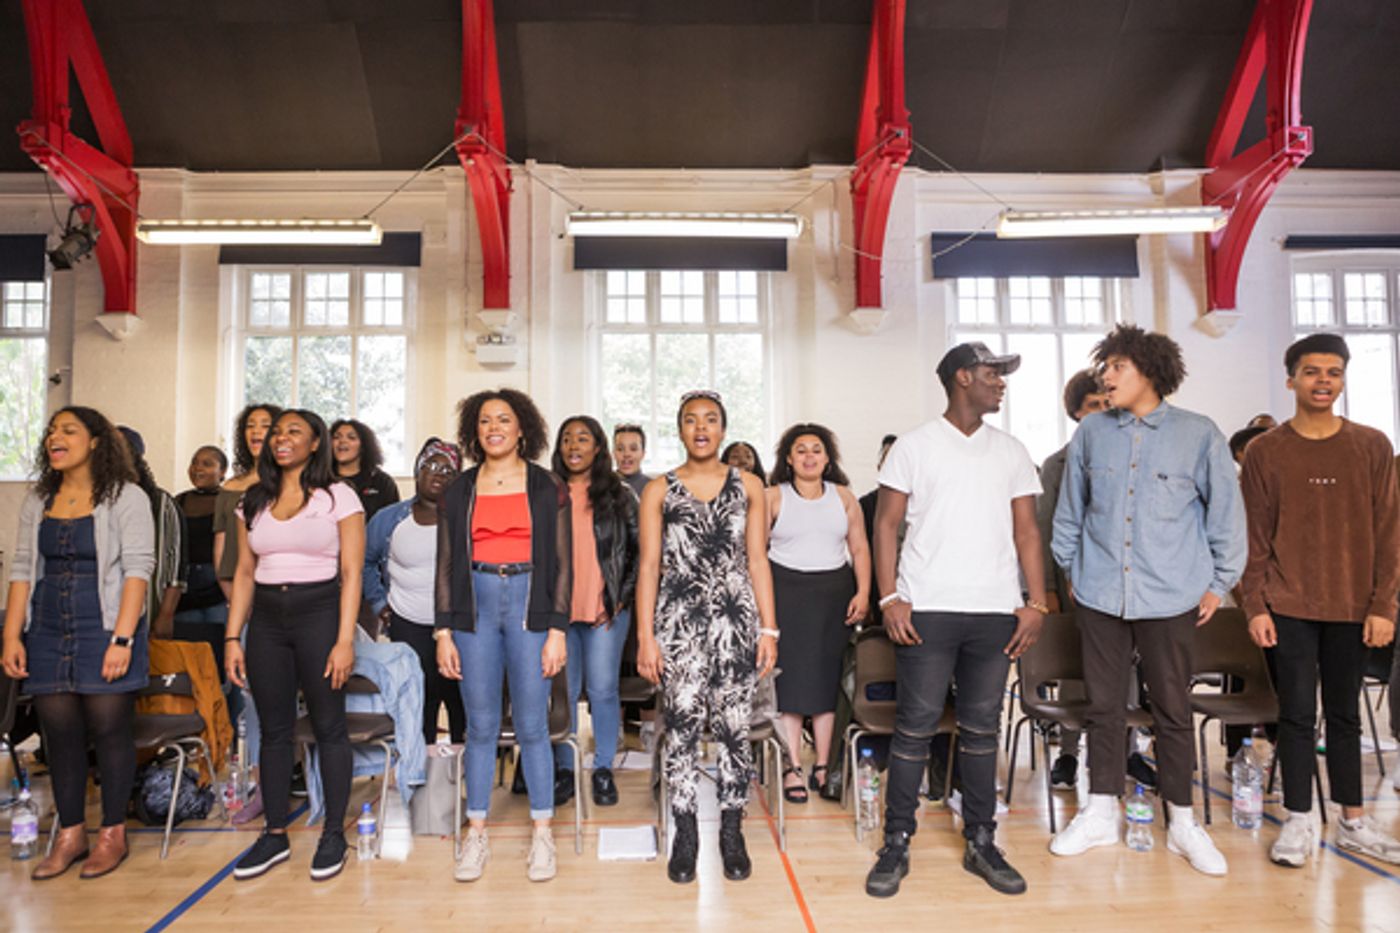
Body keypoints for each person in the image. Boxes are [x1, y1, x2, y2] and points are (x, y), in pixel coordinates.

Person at [1050, 324, 1245, 877]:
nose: (1105, 376)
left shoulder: (1199, 434)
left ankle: (1183, 821)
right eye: (1103, 366)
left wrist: (1218, 583)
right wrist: (1070, 567)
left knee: (1172, 709)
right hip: (1099, 592)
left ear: (1150, 373)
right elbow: (1071, 510)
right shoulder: (1091, 435)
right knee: (1103, 708)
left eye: (1116, 367)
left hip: (1172, 595)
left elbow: (1226, 517)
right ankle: (1100, 811)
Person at [863, 342, 1046, 899]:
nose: (1002, 382)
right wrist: (889, 596)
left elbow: (1027, 533)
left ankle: (982, 840)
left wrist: (1035, 602)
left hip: (993, 611)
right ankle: (896, 841)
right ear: (962, 377)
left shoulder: (1011, 450)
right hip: (927, 608)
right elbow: (886, 525)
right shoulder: (915, 447)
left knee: (983, 729)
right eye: (993, 373)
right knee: (915, 727)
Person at [1240, 333, 1400, 868]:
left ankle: (1353, 820)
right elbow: (1253, 537)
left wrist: (1384, 606)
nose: (1323, 381)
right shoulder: (1266, 451)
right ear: (1291, 379)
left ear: (1343, 379)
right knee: (1296, 715)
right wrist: (1255, 605)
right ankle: (1298, 820)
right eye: (1312, 372)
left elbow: (1389, 533)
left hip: (1355, 609)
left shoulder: (1373, 445)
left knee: (1345, 716)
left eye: (1333, 372)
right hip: (1287, 605)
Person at [2, 406, 154, 880]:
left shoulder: (125, 497)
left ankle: (112, 833)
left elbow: (138, 569)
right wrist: (12, 634)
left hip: (105, 625)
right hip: (48, 626)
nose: (55, 437)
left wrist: (122, 638)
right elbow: (23, 568)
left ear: (95, 442)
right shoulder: (39, 499)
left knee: (109, 730)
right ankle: (70, 834)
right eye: (51, 431)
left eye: (68, 430)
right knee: (59, 734)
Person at [636, 390, 778, 885]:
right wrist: (645, 638)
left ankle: (732, 831)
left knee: (735, 730)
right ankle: (687, 833)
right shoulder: (659, 489)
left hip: (736, 622)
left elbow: (757, 559)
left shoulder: (750, 485)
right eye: (691, 420)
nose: (701, 427)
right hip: (678, 624)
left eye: (711, 420)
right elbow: (649, 566)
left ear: (723, 428)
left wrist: (768, 627)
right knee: (681, 730)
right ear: (679, 430)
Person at [435, 388, 571, 884]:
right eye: (485, 420)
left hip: (530, 606)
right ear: (476, 431)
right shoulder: (458, 490)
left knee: (534, 725)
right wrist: (443, 630)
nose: (494, 427)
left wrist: (557, 629)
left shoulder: (547, 485)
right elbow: (446, 564)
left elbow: (561, 564)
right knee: (480, 726)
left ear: (522, 430)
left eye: (504, 419)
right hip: (475, 605)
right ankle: (476, 835)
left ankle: (542, 833)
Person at [225, 409, 364, 882]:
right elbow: (244, 573)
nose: (281, 438)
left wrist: (344, 640)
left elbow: (351, 573)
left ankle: (332, 834)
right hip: (265, 619)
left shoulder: (338, 497)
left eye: (293, 432)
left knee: (329, 726)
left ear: (314, 443)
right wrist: (232, 636)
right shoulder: (253, 500)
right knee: (274, 727)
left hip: (320, 613)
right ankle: (275, 834)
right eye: (277, 432)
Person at [765, 423, 870, 804]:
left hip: (834, 595)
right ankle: (792, 766)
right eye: (801, 450)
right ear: (789, 459)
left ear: (827, 459)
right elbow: (754, 556)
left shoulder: (844, 497)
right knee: (789, 685)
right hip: (784, 593)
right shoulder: (772, 496)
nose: (809, 456)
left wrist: (862, 591)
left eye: (817, 450)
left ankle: (824, 764)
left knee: (827, 684)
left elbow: (859, 549)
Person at [551, 416, 640, 807]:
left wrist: (622, 596)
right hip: (558, 614)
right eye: (567, 438)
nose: (573, 445)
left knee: (603, 690)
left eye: (582, 439)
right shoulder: (545, 492)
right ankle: (566, 769)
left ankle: (603, 768)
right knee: (563, 695)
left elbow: (640, 551)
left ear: (598, 449)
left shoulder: (619, 495)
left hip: (607, 609)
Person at [363, 438, 465, 747]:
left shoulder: (466, 518)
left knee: (460, 698)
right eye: (430, 466)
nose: (437, 474)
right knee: (421, 698)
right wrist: (380, 603)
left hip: (458, 624)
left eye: (447, 469)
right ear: (417, 471)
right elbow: (366, 562)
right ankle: (421, 773)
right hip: (407, 621)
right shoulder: (389, 519)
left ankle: (464, 771)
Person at [1035, 370, 1109, 790]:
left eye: (1106, 403)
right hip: (1072, 585)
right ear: (1077, 413)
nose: (1102, 412)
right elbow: (1044, 530)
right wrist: (1047, 589)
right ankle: (1067, 753)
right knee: (1073, 673)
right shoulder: (1057, 464)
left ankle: (1125, 752)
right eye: (1092, 406)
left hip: (1121, 587)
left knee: (1124, 677)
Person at [212, 402, 280, 826]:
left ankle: (297, 776)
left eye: (266, 426)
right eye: (250, 426)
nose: (258, 432)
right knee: (255, 703)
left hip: (293, 604)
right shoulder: (230, 489)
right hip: (247, 607)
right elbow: (224, 558)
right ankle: (259, 784)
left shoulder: (293, 484)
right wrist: (240, 605)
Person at [119, 427, 184, 641]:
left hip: (148, 614)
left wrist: (166, 615)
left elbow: (175, 565)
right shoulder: (89, 502)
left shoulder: (162, 503)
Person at [173, 446, 231, 671]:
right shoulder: (179, 501)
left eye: (207, 464)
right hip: (186, 591)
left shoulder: (230, 501)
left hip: (219, 589)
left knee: (221, 658)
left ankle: (226, 705)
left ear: (223, 471)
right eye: (194, 462)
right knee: (187, 659)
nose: (198, 468)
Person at [331, 418, 401, 522]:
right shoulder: (319, 479)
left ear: (364, 446)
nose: (342, 441)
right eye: (336, 437)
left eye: (351, 437)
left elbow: (392, 521)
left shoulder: (382, 482)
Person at [613, 423, 652, 498]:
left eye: (633, 449)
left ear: (643, 453)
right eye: (620, 449)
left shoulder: (653, 488)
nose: (626, 454)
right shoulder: (601, 486)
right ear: (613, 453)